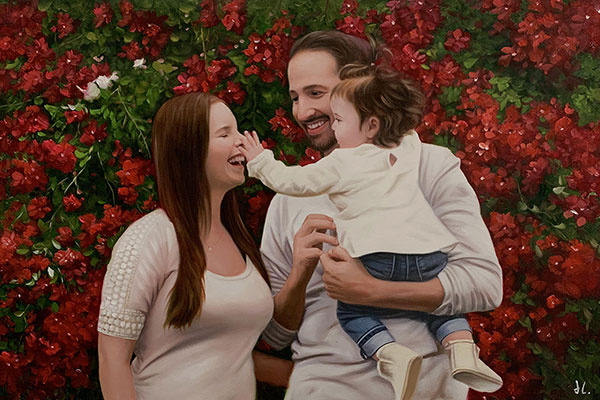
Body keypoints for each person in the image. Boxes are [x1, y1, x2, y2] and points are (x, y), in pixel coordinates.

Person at [258, 30, 504, 399]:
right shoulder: (289, 199)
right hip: (324, 388)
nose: (303, 112)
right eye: (295, 98)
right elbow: (276, 336)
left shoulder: (430, 165)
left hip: (427, 390)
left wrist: (372, 290)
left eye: (316, 93)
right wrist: (299, 273)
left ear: (360, 87)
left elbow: (484, 285)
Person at [96, 92, 276, 399]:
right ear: (188, 150)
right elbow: (112, 359)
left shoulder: (239, 239)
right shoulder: (150, 238)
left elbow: (230, 355)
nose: (242, 142)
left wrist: (316, 374)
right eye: (225, 134)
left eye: (237, 130)